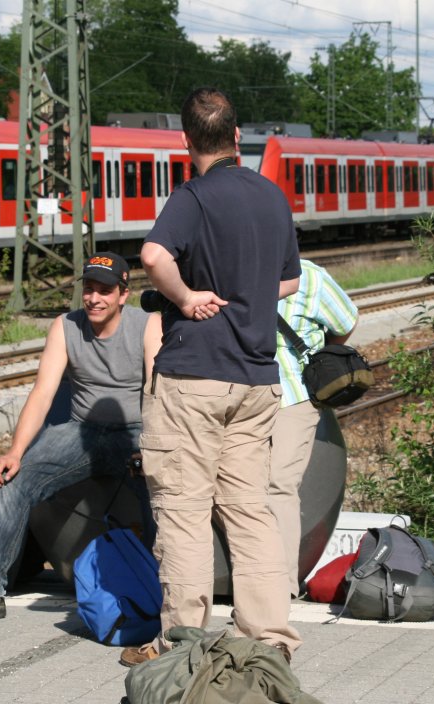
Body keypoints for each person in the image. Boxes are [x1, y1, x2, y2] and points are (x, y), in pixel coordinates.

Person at [123, 87, 303, 667]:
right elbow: (290, 281)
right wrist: (247, 295)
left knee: (184, 511)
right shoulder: (271, 195)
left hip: (194, 377)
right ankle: (269, 641)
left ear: (185, 141)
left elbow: (154, 256)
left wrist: (185, 297)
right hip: (256, 379)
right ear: (237, 136)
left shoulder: (193, 197)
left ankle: (182, 644)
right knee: (250, 510)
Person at [0, 252, 162, 624]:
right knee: (13, 479)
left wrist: (151, 446)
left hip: (136, 431)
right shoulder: (65, 326)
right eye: (89, 289)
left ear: (123, 294)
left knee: (161, 488)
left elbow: (158, 394)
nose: (94, 298)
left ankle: (163, 588)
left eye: (104, 291)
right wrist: (16, 452)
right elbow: (43, 393)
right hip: (81, 431)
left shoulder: (148, 325)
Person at [270, 259, 358, 597]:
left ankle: (280, 587)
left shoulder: (311, 277)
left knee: (279, 485)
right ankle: (251, 582)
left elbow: (346, 322)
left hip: (292, 395)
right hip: (240, 395)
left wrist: (316, 358)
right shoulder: (230, 268)